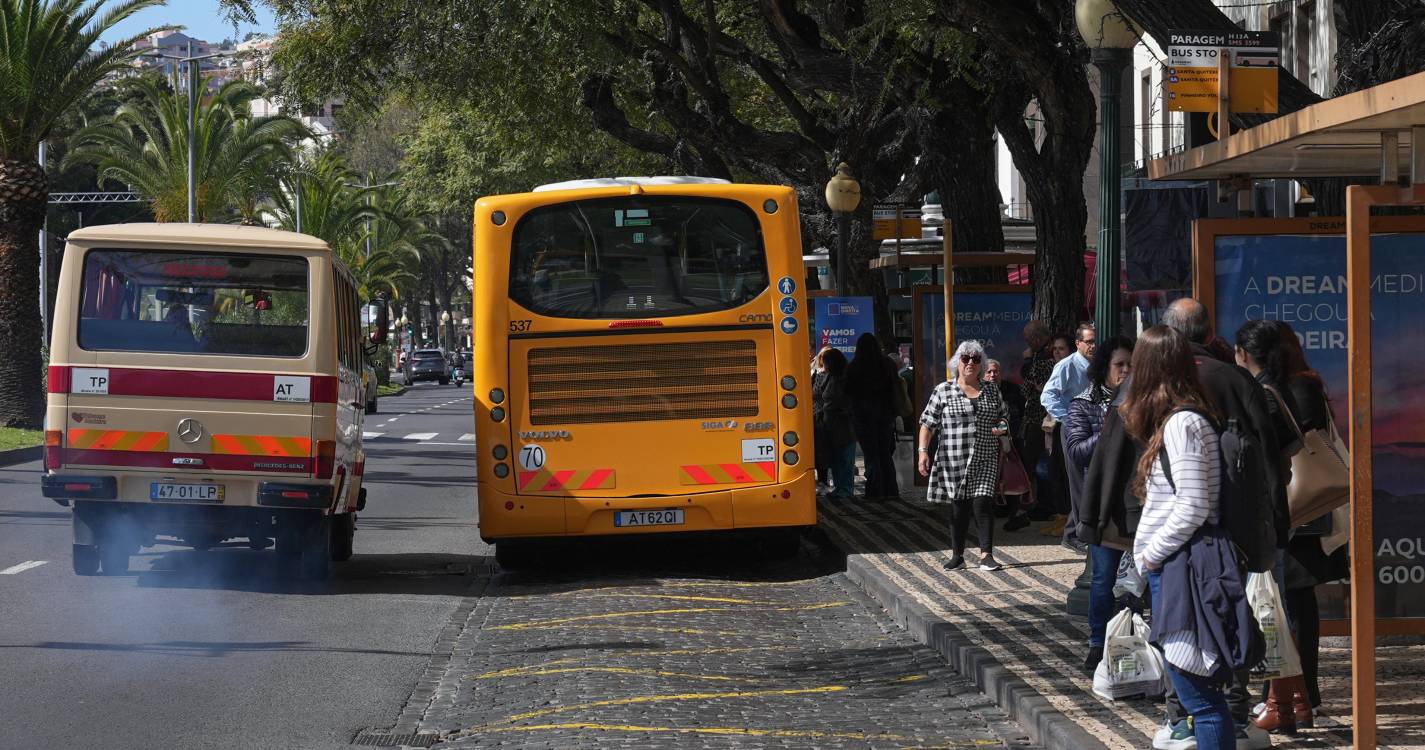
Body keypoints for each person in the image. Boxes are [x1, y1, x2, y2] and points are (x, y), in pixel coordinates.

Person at [1162, 298, 1280, 750]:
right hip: (1236, 525)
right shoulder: (1233, 378)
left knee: (1178, 626)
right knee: (1232, 616)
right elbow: (1268, 456)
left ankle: (1185, 716)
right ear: (1209, 333)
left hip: (1184, 531)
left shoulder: (1165, 382)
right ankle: (1230, 706)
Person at [1123, 325, 1234, 750]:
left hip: (1182, 566)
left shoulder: (1183, 423)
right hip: (1175, 563)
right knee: (1198, 693)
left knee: (1200, 698)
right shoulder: (1182, 420)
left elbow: (1193, 505)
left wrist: (1149, 555)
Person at [1235, 320, 1333, 734]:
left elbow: (1274, 447)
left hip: (1291, 511)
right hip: (1304, 509)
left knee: (1283, 607)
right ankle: (1298, 696)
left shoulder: (1273, 391)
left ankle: (1290, 698)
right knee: (1295, 605)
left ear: (1247, 353)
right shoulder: (1304, 383)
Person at [918, 340, 1010, 571]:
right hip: (953, 458)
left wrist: (1001, 426)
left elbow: (1003, 417)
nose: (970, 363)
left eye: (976, 359)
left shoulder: (991, 389)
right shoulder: (943, 390)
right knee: (959, 508)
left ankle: (986, 555)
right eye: (965, 359)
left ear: (982, 364)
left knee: (983, 503)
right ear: (957, 363)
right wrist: (923, 452)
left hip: (985, 454)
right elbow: (927, 424)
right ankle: (957, 555)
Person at [1042, 323, 1096, 550]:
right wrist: (1068, 418)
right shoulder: (1067, 365)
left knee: (1089, 480)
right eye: (1089, 341)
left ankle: (1074, 531)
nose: (1093, 346)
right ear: (1078, 343)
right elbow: (1048, 396)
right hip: (1075, 428)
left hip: (1093, 426)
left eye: (1095, 341)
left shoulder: (1098, 365)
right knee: (1078, 480)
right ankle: (1075, 535)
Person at [846, 333, 900, 500]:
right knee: (884, 453)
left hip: (863, 416)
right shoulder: (888, 364)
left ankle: (874, 490)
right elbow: (894, 388)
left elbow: (848, 391)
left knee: (871, 455)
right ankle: (891, 490)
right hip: (885, 415)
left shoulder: (855, 365)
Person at [987, 359, 1032, 530]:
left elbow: (1019, 413)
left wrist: (1006, 437)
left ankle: (1018, 513)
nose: (992, 375)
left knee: (1013, 476)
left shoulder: (1012, 390)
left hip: (1012, 439)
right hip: (987, 442)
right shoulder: (979, 391)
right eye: (989, 372)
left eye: (996, 371)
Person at [1018, 321, 1055, 520]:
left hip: (1041, 418)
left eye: (1028, 340)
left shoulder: (1043, 359)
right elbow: (1027, 386)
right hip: (1038, 418)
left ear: (1036, 339)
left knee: (1040, 465)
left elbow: (1027, 380)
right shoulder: (1041, 358)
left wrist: (1027, 361)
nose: (1027, 344)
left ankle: (1044, 505)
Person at [813, 348, 857, 500]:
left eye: (826, 361)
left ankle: (845, 488)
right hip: (830, 423)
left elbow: (846, 400)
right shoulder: (829, 376)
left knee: (845, 458)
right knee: (836, 458)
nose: (823, 364)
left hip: (842, 423)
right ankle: (840, 487)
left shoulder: (845, 378)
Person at [811, 346, 835, 489]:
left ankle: (822, 480)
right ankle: (825, 479)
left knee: (821, 450)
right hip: (828, 416)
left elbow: (814, 393)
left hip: (819, 416)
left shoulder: (818, 374)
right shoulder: (837, 375)